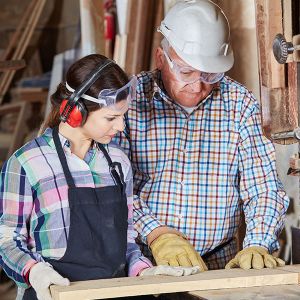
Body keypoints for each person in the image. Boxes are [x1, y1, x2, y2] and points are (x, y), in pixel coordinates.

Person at [0, 54, 200, 300]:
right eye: (111, 118)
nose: (121, 127)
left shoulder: (117, 164)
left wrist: (142, 271)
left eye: (123, 116)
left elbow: (126, 244)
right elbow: (7, 240)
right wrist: (34, 271)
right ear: (77, 111)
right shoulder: (27, 163)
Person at [113, 0, 290, 271]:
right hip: (143, 262)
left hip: (218, 263)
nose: (197, 86)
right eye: (186, 72)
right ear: (161, 59)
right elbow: (111, 185)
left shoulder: (239, 104)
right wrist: (157, 234)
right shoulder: (128, 103)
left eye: (210, 73)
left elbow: (263, 188)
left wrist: (257, 243)